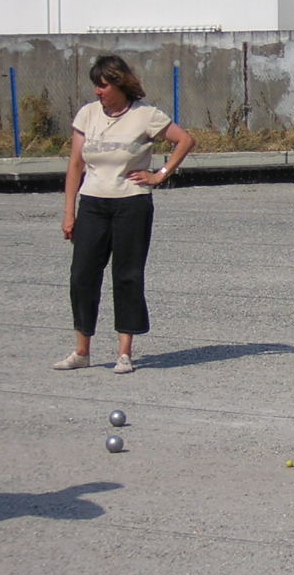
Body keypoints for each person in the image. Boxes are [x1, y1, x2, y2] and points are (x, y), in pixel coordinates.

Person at [52, 55, 195, 374]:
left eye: (103, 85)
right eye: (96, 85)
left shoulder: (146, 115)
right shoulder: (87, 115)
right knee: (82, 275)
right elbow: (75, 164)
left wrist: (160, 174)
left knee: (127, 275)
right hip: (92, 203)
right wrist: (69, 211)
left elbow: (185, 140)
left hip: (131, 203)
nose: (98, 91)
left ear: (118, 84)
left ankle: (124, 353)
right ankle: (82, 350)